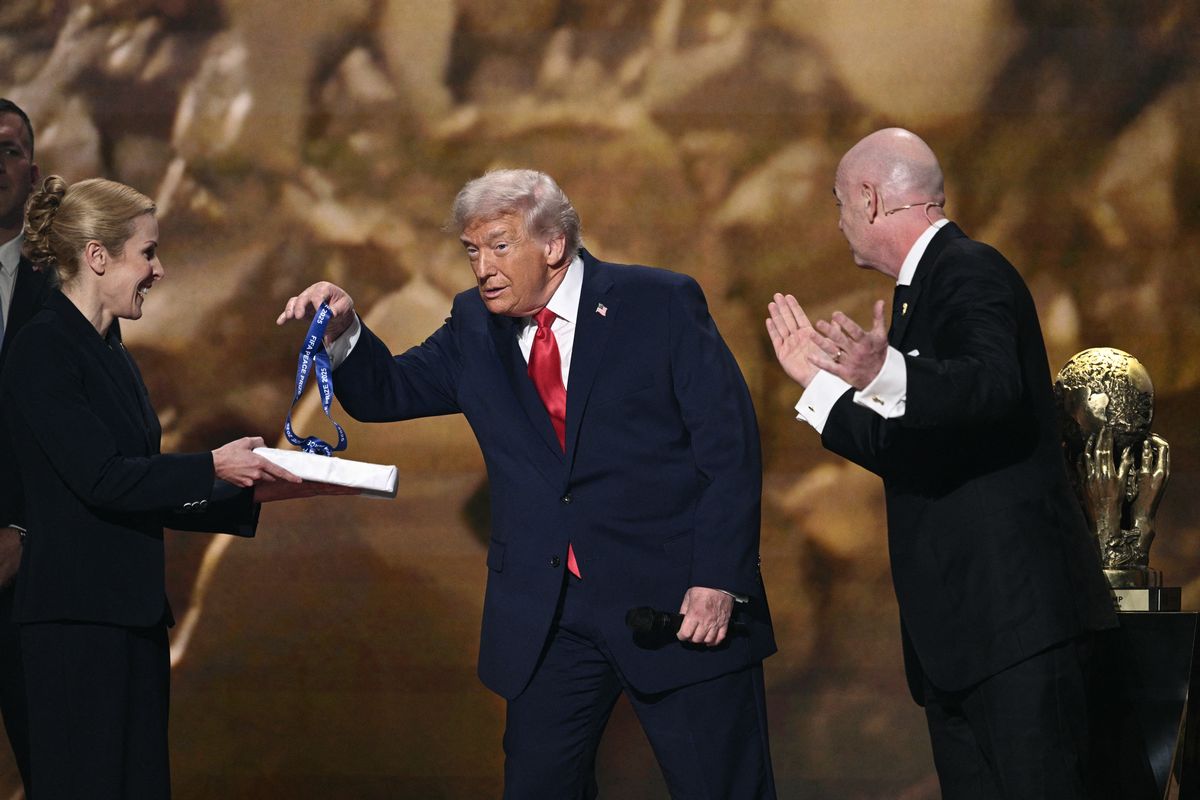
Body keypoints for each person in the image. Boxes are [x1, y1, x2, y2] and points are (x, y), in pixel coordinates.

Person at [279, 169, 777, 798]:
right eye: (471, 250)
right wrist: (345, 332)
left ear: (553, 245)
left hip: (675, 603)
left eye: (499, 245)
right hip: (550, 617)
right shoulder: (473, 325)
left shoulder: (659, 303)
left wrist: (718, 580)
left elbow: (729, 452)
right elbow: (387, 392)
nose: (482, 268)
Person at [765, 127, 1117, 799]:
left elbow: (992, 385)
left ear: (870, 198)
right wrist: (820, 387)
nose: (838, 222)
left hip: (1015, 630)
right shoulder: (919, 293)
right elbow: (909, 452)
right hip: (964, 643)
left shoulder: (969, 269)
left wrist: (887, 372)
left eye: (839, 203)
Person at [1, 175, 349, 799]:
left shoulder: (109, 350)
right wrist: (214, 465)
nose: (158, 270)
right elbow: (101, 478)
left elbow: (144, 485)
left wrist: (260, 489)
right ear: (97, 256)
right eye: (148, 253)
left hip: (130, 619)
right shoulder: (43, 348)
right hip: (76, 629)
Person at [0, 97, 48, 792]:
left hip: (31, 581)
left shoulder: (69, 290)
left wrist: (22, 529)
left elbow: (85, 438)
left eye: (8, 151)